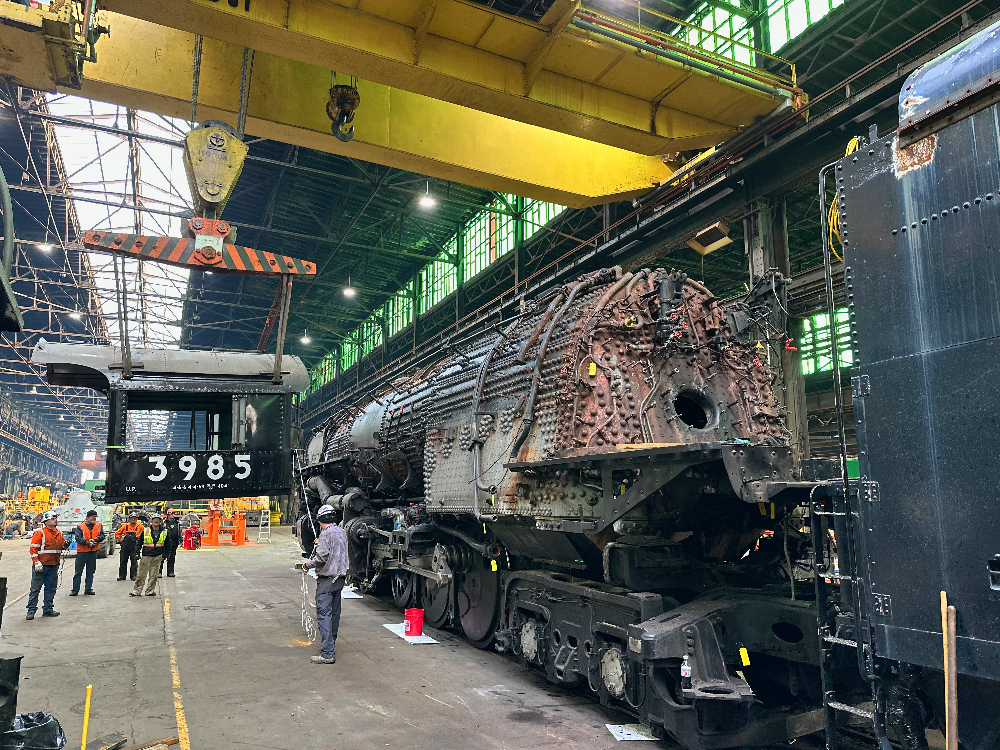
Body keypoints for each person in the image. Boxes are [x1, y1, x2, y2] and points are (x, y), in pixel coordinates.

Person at [296, 504, 348, 665]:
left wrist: (307, 565)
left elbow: (321, 558)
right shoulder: (341, 532)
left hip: (327, 580)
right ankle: (331, 644)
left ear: (320, 519)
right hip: (340, 579)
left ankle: (327, 654)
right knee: (334, 615)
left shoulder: (325, 535)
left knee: (324, 615)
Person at [26, 511, 69, 620]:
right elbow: (33, 549)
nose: (55, 520)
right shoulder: (40, 533)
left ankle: (48, 609)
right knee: (35, 589)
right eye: (53, 518)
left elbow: (61, 547)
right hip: (41, 565)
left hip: (53, 565)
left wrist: (66, 544)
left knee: (51, 588)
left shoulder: (59, 533)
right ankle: (31, 610)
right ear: (46, 521)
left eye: (55, 518)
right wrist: (36, 562)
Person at [70, 509, 105, 596]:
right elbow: (78, 538)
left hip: (93, 552)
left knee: (91, 571)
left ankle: (88, 589)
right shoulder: (80, 526)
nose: (95, 519)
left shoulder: (99, 525)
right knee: (78, 572)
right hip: (82, 552)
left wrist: (96, 539)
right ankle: (75, 590)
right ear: (88, 517)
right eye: (93, 517)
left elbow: (102, 535)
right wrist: (87, 542)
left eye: (96, 517)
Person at [130, 515, 167, 597]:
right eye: (154, 520)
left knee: (153, 575)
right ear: (151, 521)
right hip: (146, 555)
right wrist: (137, 552)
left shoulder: (164, 532)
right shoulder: (146, 531)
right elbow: (139, 542)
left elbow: (168, 544)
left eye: (158, 520)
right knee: (141, 574)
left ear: (160, 521)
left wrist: (165, 555)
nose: (156, 521)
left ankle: (149, 591)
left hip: (157, 556)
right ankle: (137, 590)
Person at [115, 512, 144, 581]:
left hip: (135, 547)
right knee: (123, 562)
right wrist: (120, 540)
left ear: (137, 519)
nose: (133, 519)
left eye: (135, 518)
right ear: (129, 519)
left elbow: (145, 535)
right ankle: (122, 576)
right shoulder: (125, 526)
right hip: (125, 547)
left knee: (134, 562)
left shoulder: (140, 527)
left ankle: (134, 576)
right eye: (132, 518)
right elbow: (117, 533)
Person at [160, 508, 180, 577]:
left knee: (171, 558)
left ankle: (170, 572)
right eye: (172, 514)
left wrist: (180, 540)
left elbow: (178, 532)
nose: (173, 515)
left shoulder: (176, 523)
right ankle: (159, 572)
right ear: (168, 514)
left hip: (174, 543)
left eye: (174, 513)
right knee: (162, 557)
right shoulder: (163, 523)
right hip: (165, 543)